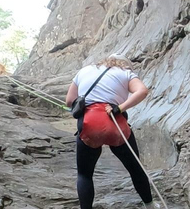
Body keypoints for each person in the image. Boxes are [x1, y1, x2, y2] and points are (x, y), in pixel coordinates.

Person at [65, 54, 158, 209]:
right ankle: (150, 205)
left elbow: (69, 101)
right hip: (115, 123)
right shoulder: (126, 73)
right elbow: (142, 91)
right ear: (125, 65)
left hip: (89, 124)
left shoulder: (84, 71)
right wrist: (119, 108)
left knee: (85, 175)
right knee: (136, 169)